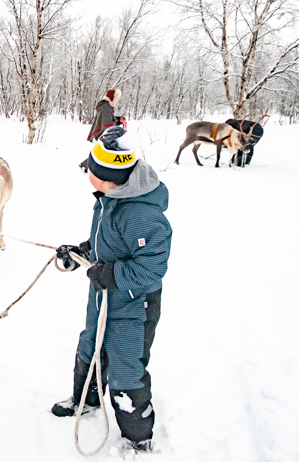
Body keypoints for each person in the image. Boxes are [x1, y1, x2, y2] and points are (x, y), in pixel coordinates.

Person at [53, 126, 172, 452]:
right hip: (104, 295)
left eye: (91, 169)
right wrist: (82, 252)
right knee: (90, 345)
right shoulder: (111, 197)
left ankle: (137, 437)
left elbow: (152, 269)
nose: (87, 172)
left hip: (135, 304)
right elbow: (109, 244)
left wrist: (113, 275)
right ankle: (86, 401)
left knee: (124, 367)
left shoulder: (141, 215)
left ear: (109, 178)